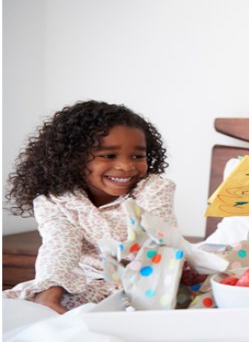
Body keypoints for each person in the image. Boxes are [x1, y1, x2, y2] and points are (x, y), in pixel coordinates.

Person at [4, 100, 177, 313]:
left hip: (149, 278)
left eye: (138, 156)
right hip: (84, 281)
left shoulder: (154, 188)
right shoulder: (53, 200)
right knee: (20, 302)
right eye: (108, 156)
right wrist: (48, 296)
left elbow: (158, 243)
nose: (126, 166)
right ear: (72, 158)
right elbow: (59, 247)